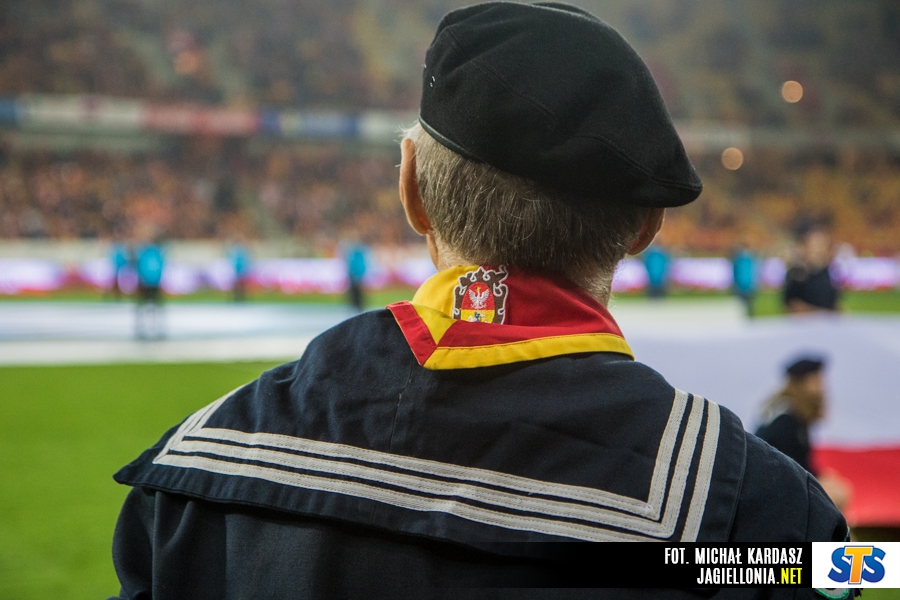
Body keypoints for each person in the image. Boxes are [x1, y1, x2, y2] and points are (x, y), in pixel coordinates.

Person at [110, 4, 849, 598]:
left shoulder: (196, 470)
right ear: (645, 227)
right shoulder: (763, 514)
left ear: (411, 190)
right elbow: (853, 574)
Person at [755, 356, 852, 511]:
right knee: (834, 495)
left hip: (782, 484)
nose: (821, 389)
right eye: (815, 382)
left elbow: (801, 464)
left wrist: (822, 476)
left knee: (835, 485)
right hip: (772, 490)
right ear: (799, 385)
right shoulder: (785, 421)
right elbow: (791, 470)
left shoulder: (795, 418)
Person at [783, 220, 840, 313]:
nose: (820, 248)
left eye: (822, 243)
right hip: (808, 322)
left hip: (827, 321)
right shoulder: (797, 273)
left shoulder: (827, 273)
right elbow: (793, 306)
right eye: (816, 243)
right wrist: (822, 314)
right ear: (805, 246)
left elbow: (834, 303)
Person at [134, 237, 166, 340]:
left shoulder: (144, 252)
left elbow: (139, 266)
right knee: (155, 306)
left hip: (145, 282)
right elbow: (161, 266)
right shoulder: (157, 252)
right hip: (154, 282)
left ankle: (141, 327)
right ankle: (157, 328)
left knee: (143, 306)